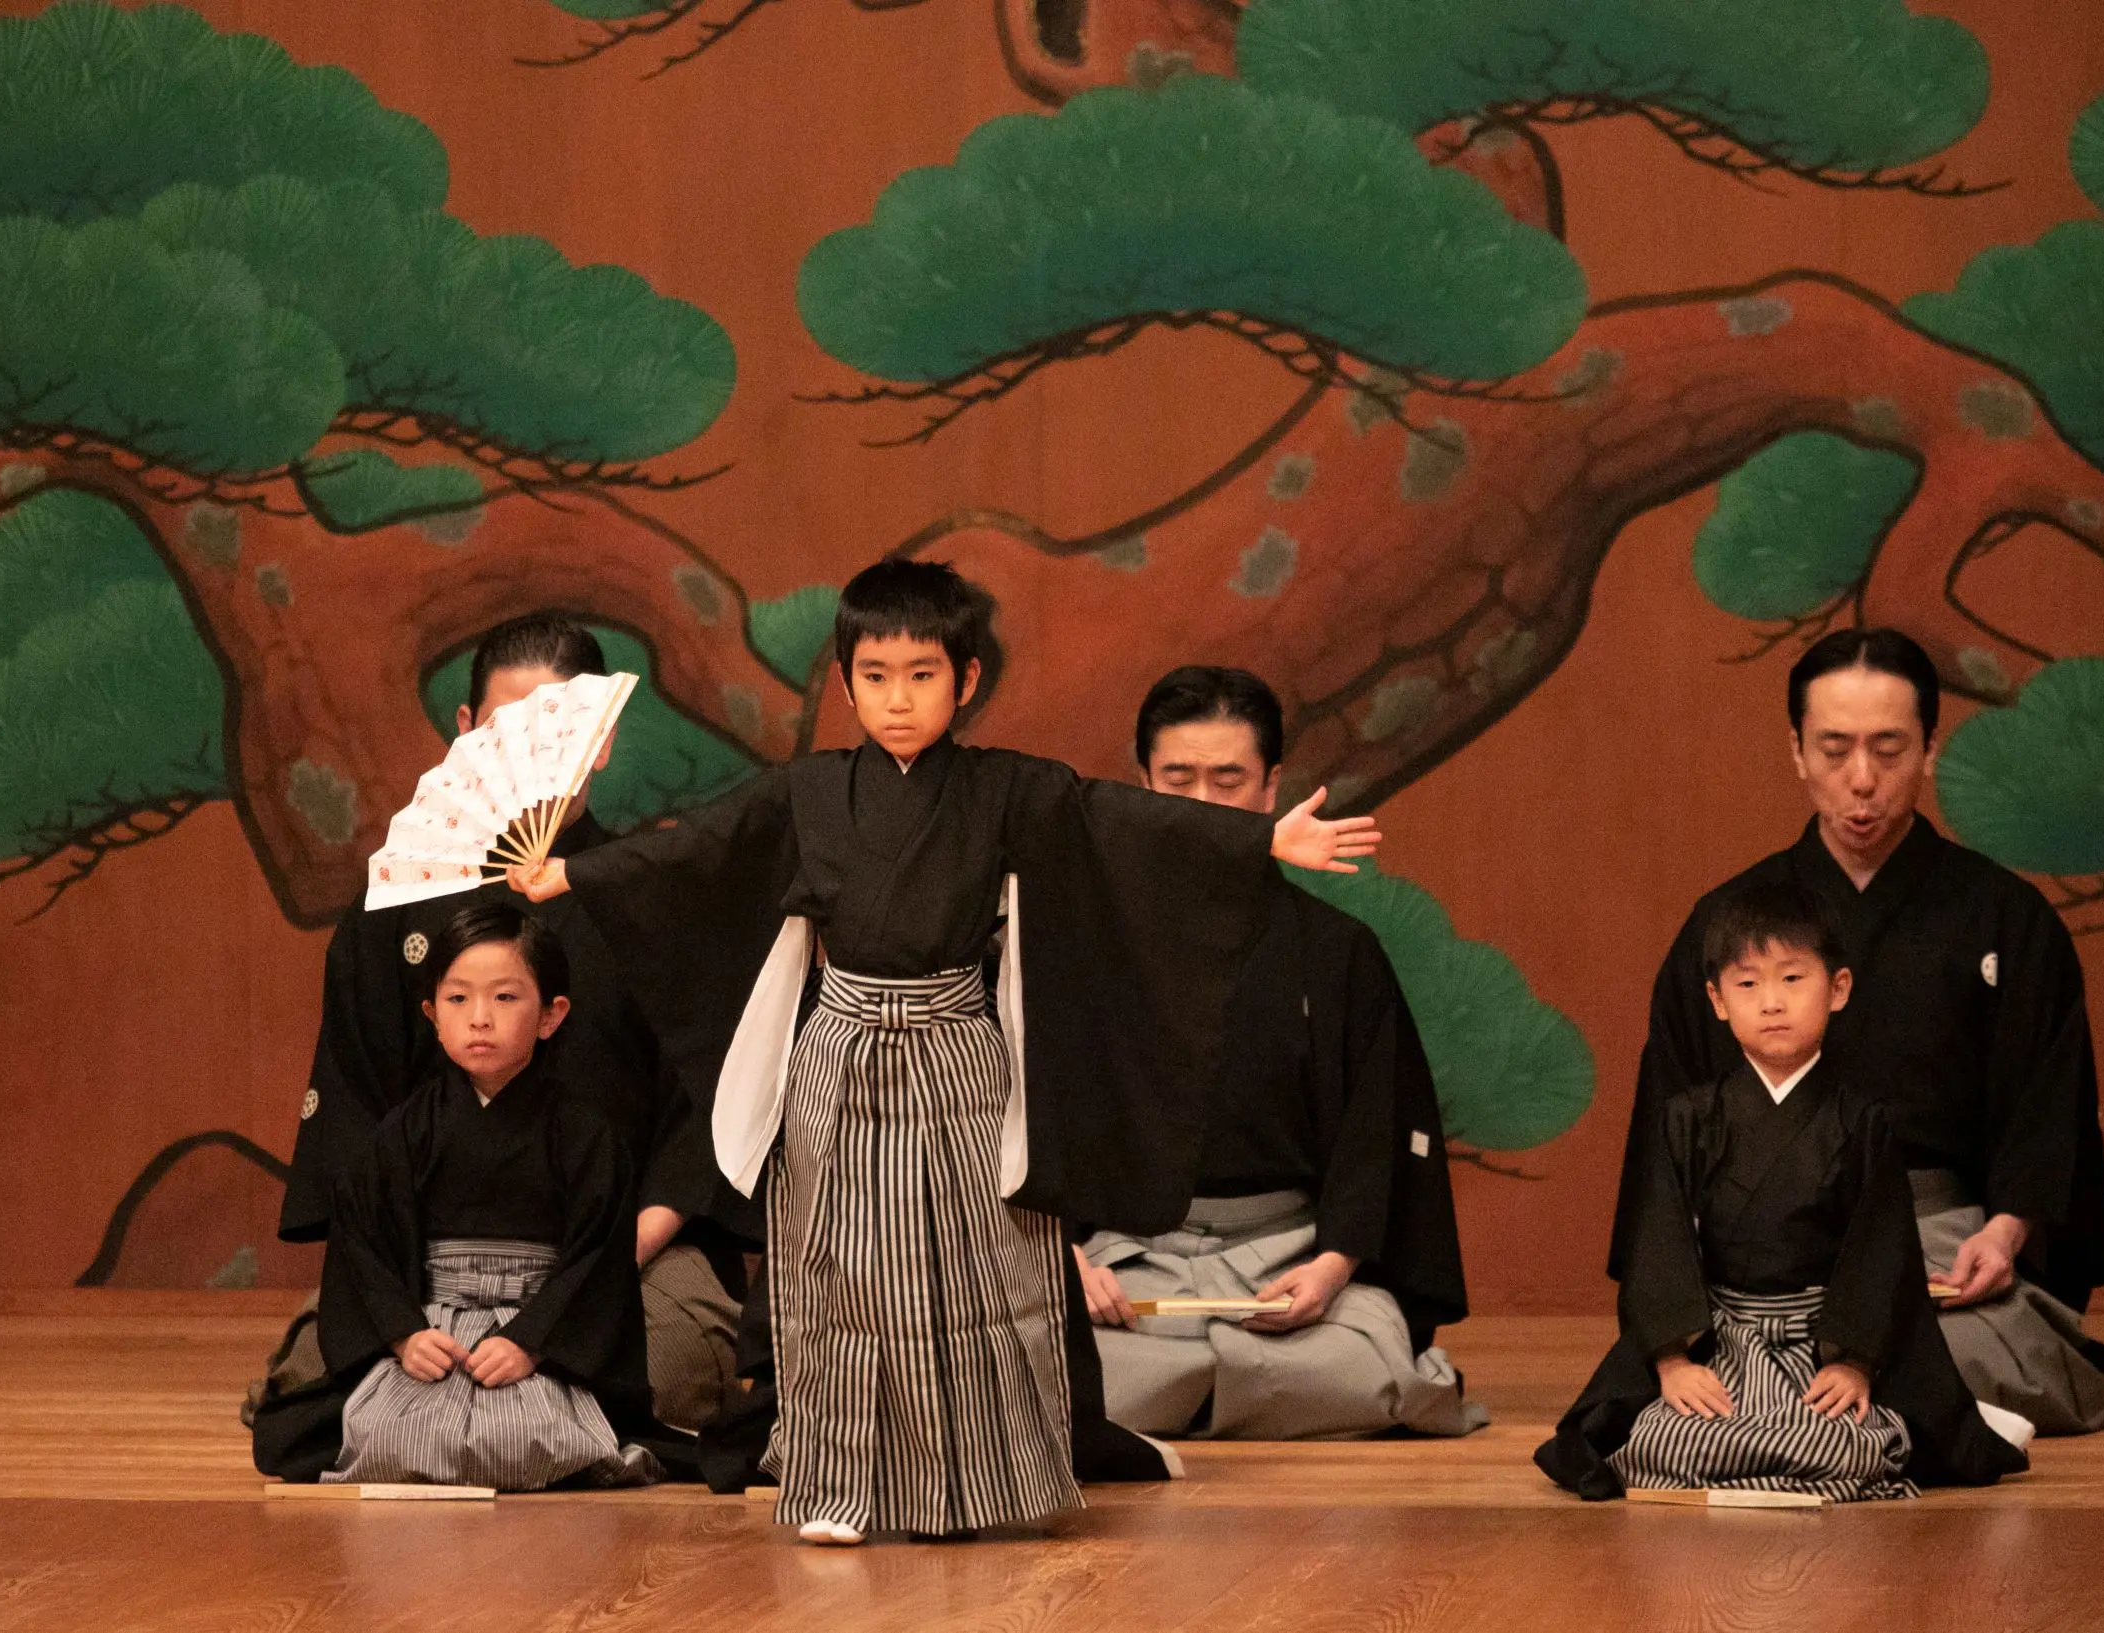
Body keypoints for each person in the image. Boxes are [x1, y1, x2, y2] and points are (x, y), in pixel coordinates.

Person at [512, 559, 1380, 1544]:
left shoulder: (1008, 789)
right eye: (875, 675)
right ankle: (838, 1486)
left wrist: (1260, 842)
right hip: (838, 1055)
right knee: (838, 1273)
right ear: (846, 684)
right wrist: (574, 874)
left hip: (960, 1052)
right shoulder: (808, 790)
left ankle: (978, 1485)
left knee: (983, 1270)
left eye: (921, 674)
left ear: (965, 680)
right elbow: (697, 848)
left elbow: (1118, 820)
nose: (897, 699)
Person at [250, 616, 749, 1482]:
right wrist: (405, 1309)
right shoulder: (393, 907)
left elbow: (701, 1119)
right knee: (317, 1366)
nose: (528, 755)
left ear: (600, 742)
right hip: (432, 1262)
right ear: (464, 731)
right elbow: (357, 1114)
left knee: (671, 1362)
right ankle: (524, 1422)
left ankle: (455, 1425)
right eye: (503, 728)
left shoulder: (661, 900)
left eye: (555, 732)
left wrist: (592, 1276)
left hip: (624, 1255)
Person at [1618, 628, 2104, 1436]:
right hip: (1756, 1265)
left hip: (1937, 1244)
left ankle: (1834, 1415)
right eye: (1834, 749)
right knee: (1695, 1373)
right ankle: (1907, 1423)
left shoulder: (2005, 918)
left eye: (1888, 749)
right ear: (1796, 751)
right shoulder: (1727, 924)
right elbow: (1669, 1133)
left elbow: (2047, 1110)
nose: (1861, 779)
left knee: (1944, 1352)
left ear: (1928, 748)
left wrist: (2006, 1231)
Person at [1070, 666, 1479, 1440]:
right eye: (1177, 780)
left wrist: (1333, 1266)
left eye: (1227, 780)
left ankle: (1186, 1391)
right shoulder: (1088, 943)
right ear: (1141, 784)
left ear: (1270, 789)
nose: (1202, 803)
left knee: (1365, 1359)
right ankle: (1234, 1391)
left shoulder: (1335, 950)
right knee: (1044, 1361)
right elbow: (1032, 1118)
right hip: (1129, 1260)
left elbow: (1375, 1128)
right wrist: (1069, 1262)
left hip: (1285, 1256)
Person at [1539, 879, 2028, 1501]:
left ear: (1838, 988)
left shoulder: (1862, 1120)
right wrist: (1672, 1362)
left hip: (1818, 1344)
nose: (1771, 1003)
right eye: (1747, 985)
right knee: (1664, 1439)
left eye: (1793, 979)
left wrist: (1854, 1362)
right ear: (1717, 1000)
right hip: (1722, 1340)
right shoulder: (1689, 1117)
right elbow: (1658, 1239)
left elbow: (1881, 1251)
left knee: (1839, 1441)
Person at [314, 903, 662, 1490]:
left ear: (551, 1015)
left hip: (539, 1335)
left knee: (534, 1435)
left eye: (504, 997)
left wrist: (530, 1342)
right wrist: (404, 1335)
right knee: (378, 1433)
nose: (479, 1019)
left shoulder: (585, 1137)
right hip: (436, 1332)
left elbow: (596, 1262)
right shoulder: (403, 1134)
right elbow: (362, 1246)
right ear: (431, 1015)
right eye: (458, 999)